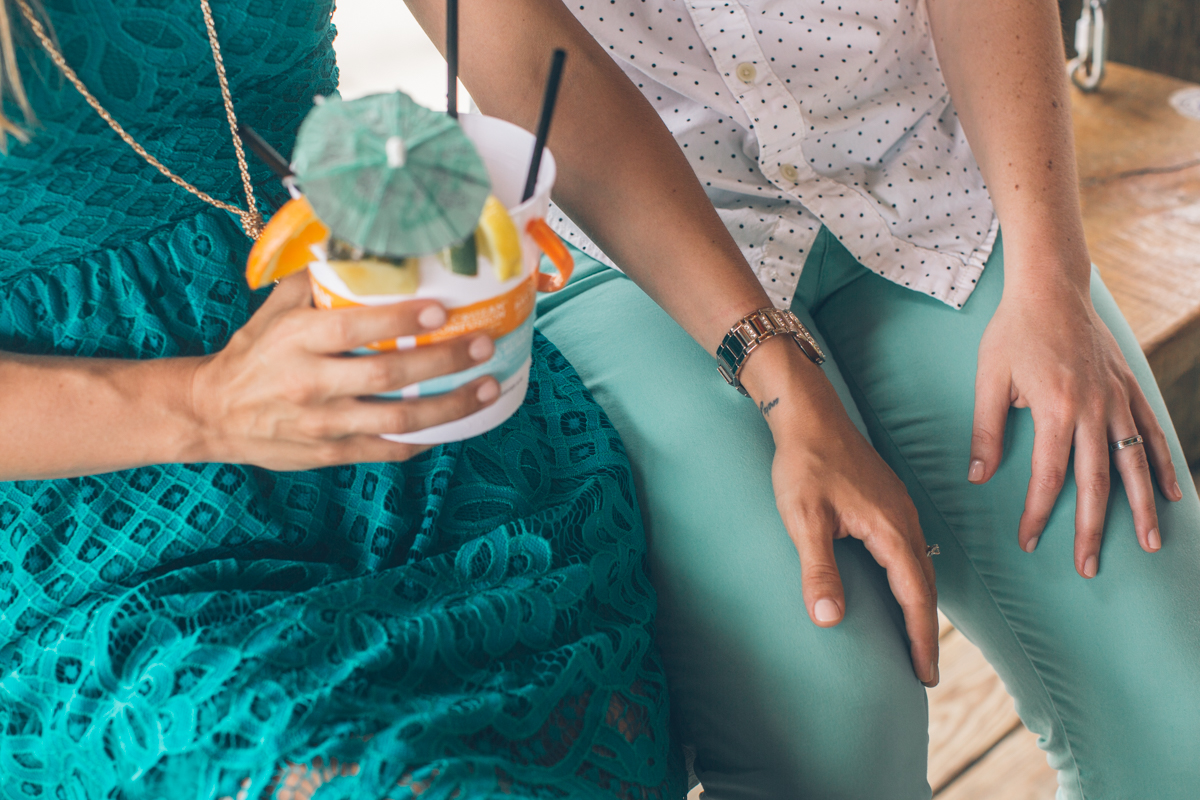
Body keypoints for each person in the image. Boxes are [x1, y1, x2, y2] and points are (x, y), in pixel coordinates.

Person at [401, 0, 1200, 797]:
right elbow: (529, 57)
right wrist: (788, 391)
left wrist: (1050, 275)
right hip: (624, 234)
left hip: (924, 163)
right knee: (838, 725)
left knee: (1177, 725)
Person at [0, 1, 683, 798]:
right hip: (95, 529)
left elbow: (533, 56)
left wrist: (768, 357)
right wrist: (204, 402)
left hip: (421, 424)